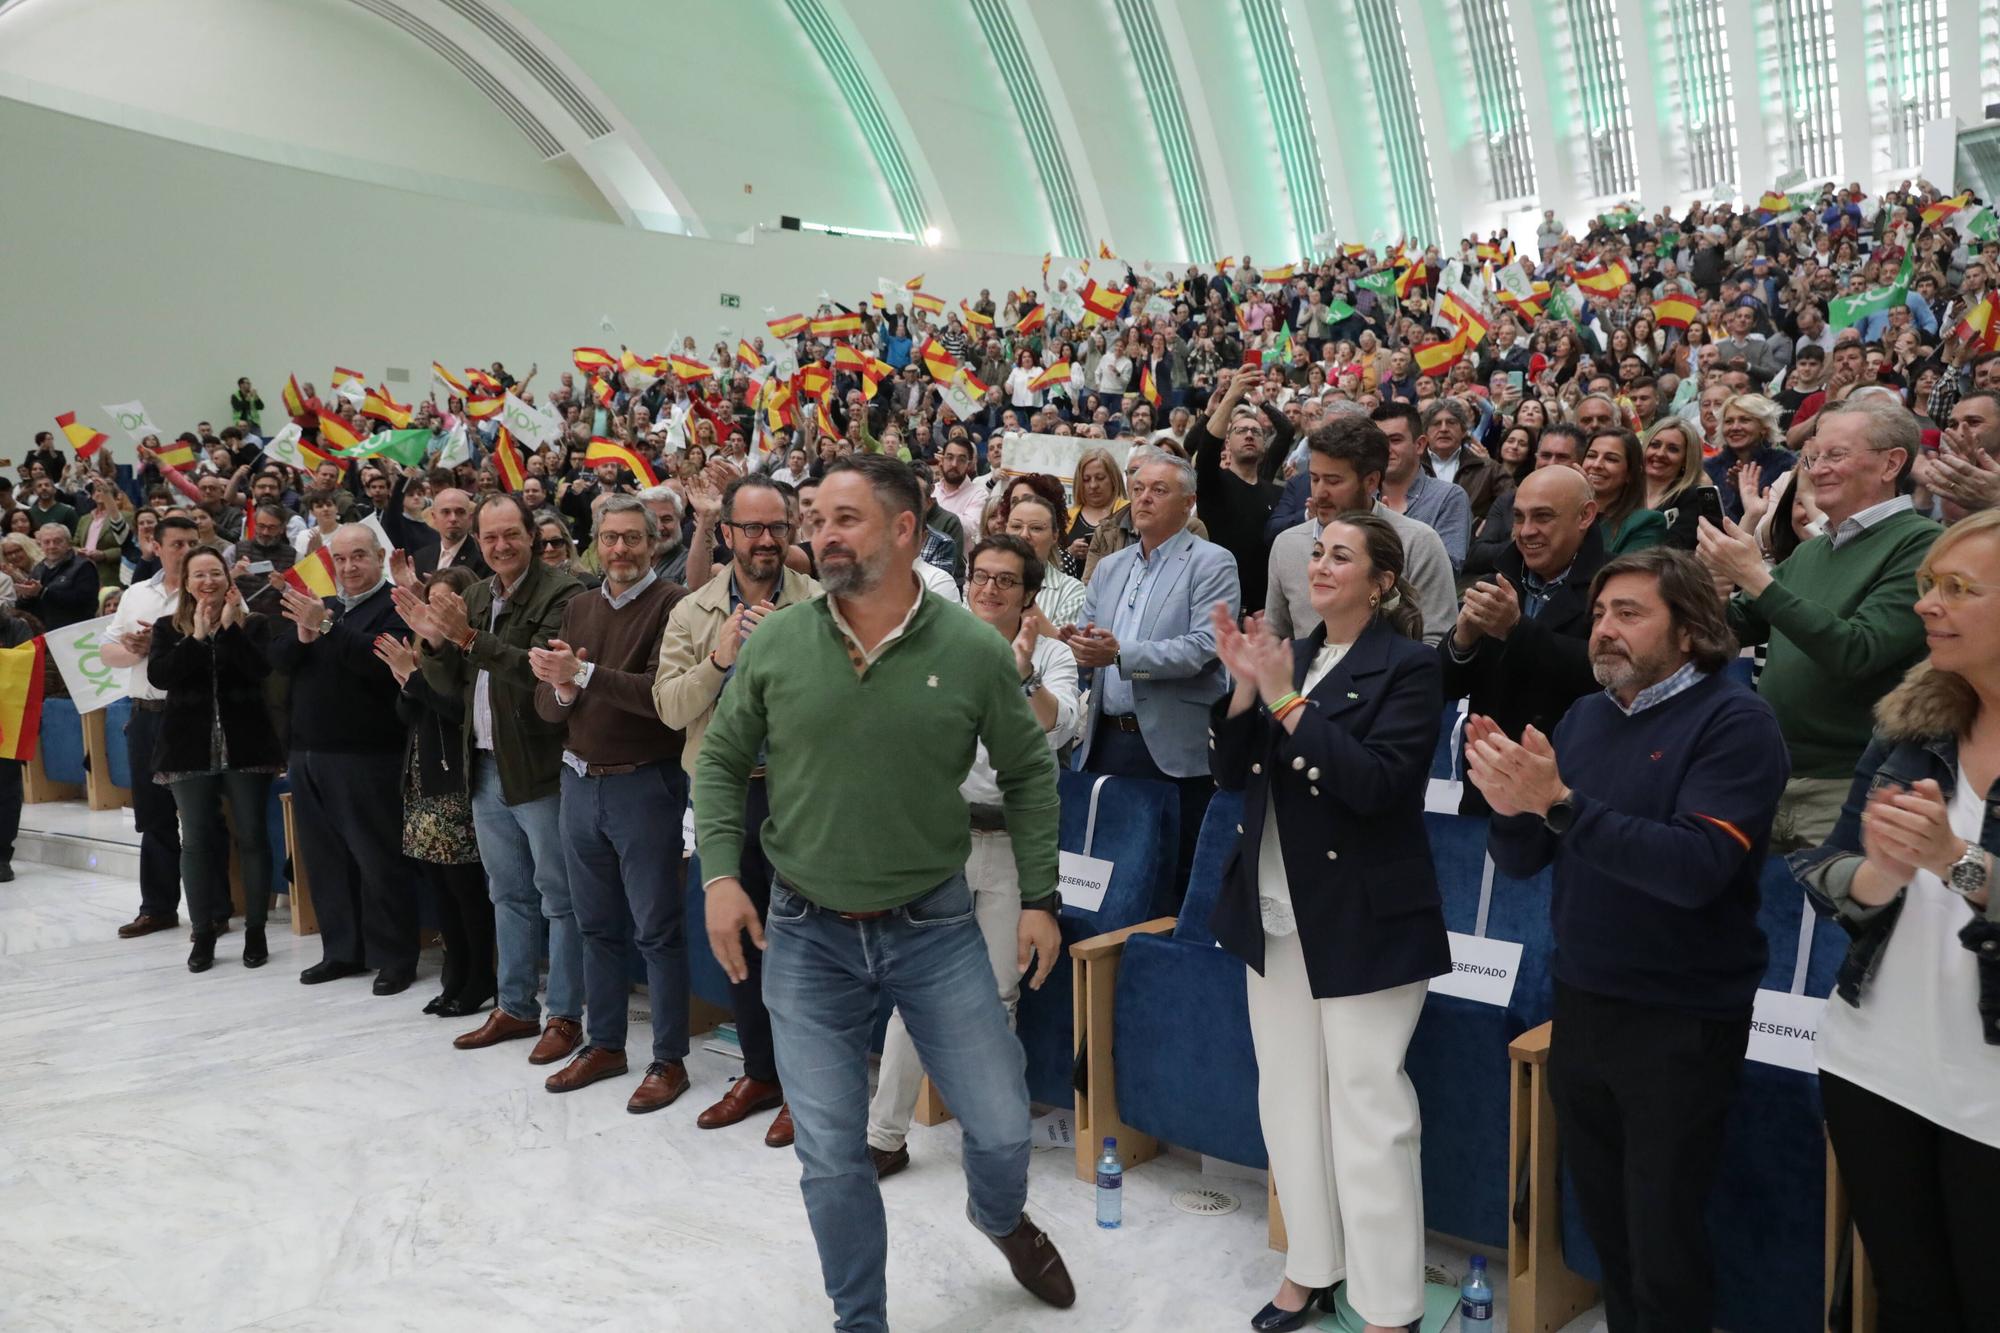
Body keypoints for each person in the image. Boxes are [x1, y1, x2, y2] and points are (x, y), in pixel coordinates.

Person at [693, 455, 1074, 1331]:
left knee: (1003, 1122)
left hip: (934, 928)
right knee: (832, 1155)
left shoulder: (973, 650)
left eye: (844, 517)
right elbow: (719, 760)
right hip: (806, 934)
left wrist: (1041, 896)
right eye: (814, 517)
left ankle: (998, 1214)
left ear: (905, 530)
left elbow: (1027, 773)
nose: (820, 532)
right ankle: (858, 1318)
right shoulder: (778, 641)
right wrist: (720, 874)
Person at [1467, 547, 1790, 1333]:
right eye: (1601, 613)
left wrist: (1559, 802)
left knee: (1664, 1235)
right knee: (1608, 1223)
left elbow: (1695, 866)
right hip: (1583, 997)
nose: (1604, 630)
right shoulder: (1585, 716)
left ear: (1689, 630)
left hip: (1681, 1015)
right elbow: (1522, 863)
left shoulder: (1735, 719)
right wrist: (1511, 804)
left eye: (1630, 614)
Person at [1209, 513, 1448, 1333]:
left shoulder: (1410, 666)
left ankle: (1389, 1305)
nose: (1320, 564)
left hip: (1364, 917)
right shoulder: (1295, 654)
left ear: (1382, 581)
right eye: (1316, 550)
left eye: (1341, 554)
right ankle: (1311, 1265)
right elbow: (1230, 772)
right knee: (1287, 1099)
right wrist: (1245, 688)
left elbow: (1379, 786)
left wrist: (1282, 699)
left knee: (1369, 1108)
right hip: (1274, 910)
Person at [1789, 510, 2000, 1333]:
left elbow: (1961, 868)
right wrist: (1878, 871)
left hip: (1988, 1087)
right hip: (1876, 1062)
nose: (1926, 606)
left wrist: (1959, 862)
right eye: (1925, 586)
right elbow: (1827, 867)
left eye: (1958, 589)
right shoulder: (1911, 721)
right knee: (1910, 1301)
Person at [866, 534, 1080, 1177]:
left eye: (1005, 581)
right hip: (940, 842)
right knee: (915, 991)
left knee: (998, 997)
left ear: (1029, 594)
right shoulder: (934, 642)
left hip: (1015, 846)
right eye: (980, 577)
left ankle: (991, 1142)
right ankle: (883, 1138)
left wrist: (1023, 676)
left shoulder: (1054, 655)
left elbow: (1059, 724)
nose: (989, 590)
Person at [656, 473, 821, 1147]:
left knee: (801, 948)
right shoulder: (692, 611)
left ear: (791, 532)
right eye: (749, 528)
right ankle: (760, 1072)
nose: (763, 540)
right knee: (741, 945)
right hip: (724, 795)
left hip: (799, 793)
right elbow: (670, 708)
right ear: (725, 533)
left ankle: (805, 1087)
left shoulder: (821, 602)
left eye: (776, 528)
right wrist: (720, 657)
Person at [1699, 396, 1940, 850]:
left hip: (1850, 787)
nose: (1816, 469)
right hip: (1771, 774)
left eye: (1836, 455)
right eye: (1812, 457)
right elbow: (1737, 629)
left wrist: (1753, 575)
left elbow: (1858, 651)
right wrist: (1711, 590)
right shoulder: (1812, 550)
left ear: (1891, 464)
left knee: (1834, 919)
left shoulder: (1922, 545)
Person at [402, 494, 585, 1061]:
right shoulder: (476, 594)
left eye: (511, 534)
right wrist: (433, 641)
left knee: (559, 897)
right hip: (480, 764)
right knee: (506, 893)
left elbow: (538, 675)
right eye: (489, 538)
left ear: (532, 535)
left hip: (539, 768)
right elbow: (452, 682)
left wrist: (464, 638)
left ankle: (565, 1016)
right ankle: (514, 1008)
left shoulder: (565, 593)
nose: (500, 546)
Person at [528, 496, 693, 1112]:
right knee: (594, 924)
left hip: (643, 785)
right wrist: (566, 686)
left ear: (653, 543)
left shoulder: (674, 605)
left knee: (657, 931)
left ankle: (669, 1059)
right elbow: (548, 707)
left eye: (631, 539)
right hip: (578, 783)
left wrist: (586, 676)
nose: (619, 550)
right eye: (609, 539)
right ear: (595, 544)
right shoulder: (578, 606)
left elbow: (661, 698)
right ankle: (605, 1044)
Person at [1065, 449, 1241, 896]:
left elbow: (1204, 648)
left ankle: (1158, 960)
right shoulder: (1109, 567)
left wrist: (1119, 653)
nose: (1143, 499)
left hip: (1169, 745)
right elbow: (1093, 645)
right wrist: (1081, 647)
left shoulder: (1213, 562)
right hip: (1106, 739)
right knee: (1107, 870)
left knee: (1169, 875)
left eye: (1159, 490)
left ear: (1189, 503)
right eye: (1138, 489)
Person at [270, 525, 419, 993]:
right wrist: (304, 633)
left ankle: (395, 955)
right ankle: (341, 951)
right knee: (326, 859)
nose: (350, 567)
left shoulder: (395, 605)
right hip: (309, 752)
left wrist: (328, 627)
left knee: (378, 859)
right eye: (341, 559)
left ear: (379, 558)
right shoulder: (325, 606)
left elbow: (380, 663)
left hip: (367, 754)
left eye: (359, 557)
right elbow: (280, 662)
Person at [1440, 466, 1607, 815]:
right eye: (1519, 517)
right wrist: (1462, 641)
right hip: (1489, 785)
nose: (1527, 531)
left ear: (1585, 516)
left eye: (1543, 517)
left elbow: (1606, 673)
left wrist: (1516, 630)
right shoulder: (1495, 581)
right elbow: (1443, 686)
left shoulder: (1615, 586)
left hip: (1572, 792)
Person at [146, 549, 281, 973]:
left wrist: (230, 631)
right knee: (197, 841)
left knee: (253, 837)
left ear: (228, 579)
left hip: (247, 747)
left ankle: (256, 929)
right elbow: (160, 677)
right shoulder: (168, 628)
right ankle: (203, 931)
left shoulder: (254, 623)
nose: (207, 581)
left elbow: (261, 671)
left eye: (215, 574)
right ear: (186, 583)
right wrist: (198, 639)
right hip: (188, 748)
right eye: (199, 575)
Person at [373, 565, 494, 1018]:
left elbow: (462, 712)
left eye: (448, 603)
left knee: (466, 892)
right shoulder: (424, 649)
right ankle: (454, 974)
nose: (437, 613)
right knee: (441, 891)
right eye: (433, 603)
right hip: (421, 782)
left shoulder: (470, 652)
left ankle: (478, 977)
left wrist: (416, 678)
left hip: (455, 783)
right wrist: (407, 677)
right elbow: (408, 714)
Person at [1266, 414, 1456, 647]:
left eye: (1333, 481)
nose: (1319, 493)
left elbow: (1437, 640)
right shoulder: (1287, 544)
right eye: (1314, 479)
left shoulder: (1418, 542)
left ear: (1371, 482)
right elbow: (1276, 636)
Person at [103, 515, 199, 938]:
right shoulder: (137, 593)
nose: (186, 550)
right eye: (177, 543)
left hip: (191, 714)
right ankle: (158, 907)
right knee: (153, 816)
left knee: (199, 817)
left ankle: (212, 906)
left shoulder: (211, 587)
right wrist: (133, 648)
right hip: (145, 713)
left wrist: (160, 646)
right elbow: (107, 650)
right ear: (155, 546)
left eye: (193, 542)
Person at [1191, 367, 1291, 615]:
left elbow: (1286, 431)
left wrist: (1263, 404)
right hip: (1216, 608)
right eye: (1240, 430)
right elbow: (1205, 447)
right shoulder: (1212, 483)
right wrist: (1231, 396)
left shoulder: (1277, 493)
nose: (1249, 435)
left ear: (1263, 446)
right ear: (1227, 442)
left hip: (1266, 612)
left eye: (1255, 431)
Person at [1374, 403, 1472, 569]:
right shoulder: (1360, 496)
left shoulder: (1448, 497)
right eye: (1378, 441)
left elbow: (1445, 571)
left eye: (1395, 440)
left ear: (1419, 445)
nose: (1385, 448)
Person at [1001, 492, 1086, 628]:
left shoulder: (1071, 591)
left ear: (1054, 536)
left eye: (1036, 528)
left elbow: (1064, 647)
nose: (1024, 535)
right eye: (1016, 526)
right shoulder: (983, 581)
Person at [1581, 428, 1668, 556]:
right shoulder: (1566, 514)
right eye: (1591, 455)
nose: (1596, 464)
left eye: (1611, 459)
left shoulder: (1646, 522)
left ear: (1630, 473)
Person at [1420, 398, 1507, 523]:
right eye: (1436, 423)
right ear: (1426, 433)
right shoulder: (1410, 469)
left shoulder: (1488, 469)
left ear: (1463, 431)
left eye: (1451, 422)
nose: (1444, 429)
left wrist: (1490, 528)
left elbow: (1513, 505)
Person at [0, 602, 37, 879]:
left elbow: (28, 671)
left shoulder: (16, 628)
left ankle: (2, 855)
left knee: (6, 792)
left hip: (7, 724)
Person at [21, 524, 100, 630]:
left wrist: (43, 592)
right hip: (44, 632)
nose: (52, 546)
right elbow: (28, 609)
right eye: (46, 542)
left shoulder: (83, 566)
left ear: (68, 544)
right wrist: (26, 597)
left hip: (75, 631)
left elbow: (83, 603)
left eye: (57, 541)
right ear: (40, 546)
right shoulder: (39, 568)